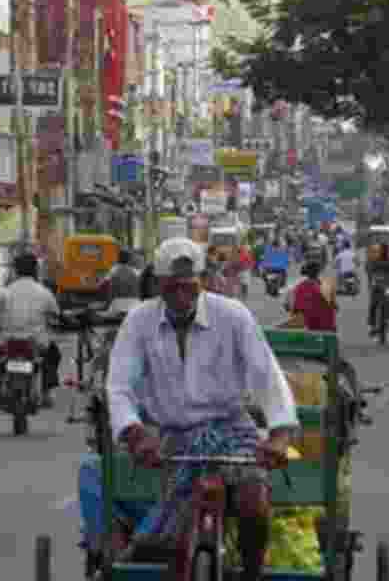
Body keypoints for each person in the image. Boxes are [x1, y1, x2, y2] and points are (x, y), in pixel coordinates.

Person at [106, 238, 298, 581]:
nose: (182, 294)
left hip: (233, 431)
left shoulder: (233, 315)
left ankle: (252, 572)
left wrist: (280, 435)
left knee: (254, 502)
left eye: (189, 285)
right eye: (173, 286)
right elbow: (120, 386)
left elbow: (267, 377)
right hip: (172, 438)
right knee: (174, 532)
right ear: (158, 284)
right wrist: (136, 435)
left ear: (203, 280)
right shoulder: (138, 322)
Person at [0, 254, 62, 406]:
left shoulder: (5, 292)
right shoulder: (44, 292)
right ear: (35, 270)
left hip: (8, 341)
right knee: (53, 355)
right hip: (37, 342)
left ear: (15, 271)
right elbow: (56, 315)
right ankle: (46, 393)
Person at [287, 261, 336, 332]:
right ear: (318, 272)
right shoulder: (327, 285)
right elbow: (333, 304)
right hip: (326, 324)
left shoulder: (299, 287)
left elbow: (294, 307)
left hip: (308, 322)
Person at [104, 249, 143, 316]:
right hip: (134, 304)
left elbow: (107, 288)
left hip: (116, 305)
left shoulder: (112, 272)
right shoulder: (137, 273)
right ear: (130, 259)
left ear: (118, 258)